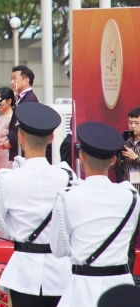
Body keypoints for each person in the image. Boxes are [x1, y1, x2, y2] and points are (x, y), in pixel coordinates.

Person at [0, 102, 76, 307]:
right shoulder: (67, 176)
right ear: (51, 138)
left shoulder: (6, 179)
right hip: (61, 272)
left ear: (21, 138)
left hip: (23, 272)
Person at [53, 121, 140, 305]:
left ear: (81, 157)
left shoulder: (68, 197)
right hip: (121, 289)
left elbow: (59, 250)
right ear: (114, 160)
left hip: (82, 289)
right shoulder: (131, 196)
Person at [0, 87, 17, 173]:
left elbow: (14, 138)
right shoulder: (0, 118)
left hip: (9, 158)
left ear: (9, 101)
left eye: (0, 101)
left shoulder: (13, 118)